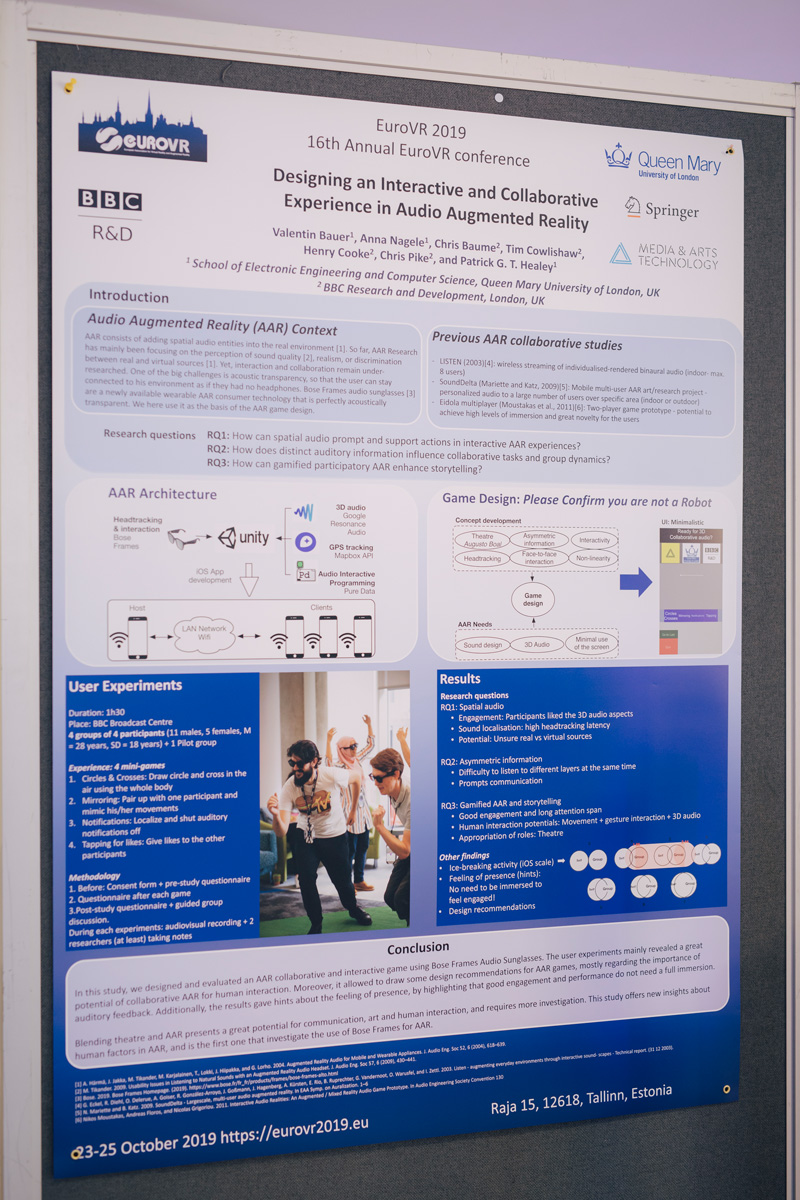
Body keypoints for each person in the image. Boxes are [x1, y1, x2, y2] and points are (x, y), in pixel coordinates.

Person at [267, 739, 373, 935]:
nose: (295, 768)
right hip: (306, 838)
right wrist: (275, 815)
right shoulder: (290, 786)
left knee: (342, 881)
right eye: (292, 763)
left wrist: (352, 811)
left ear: (314, 761)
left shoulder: (330, 774)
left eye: (300, 763)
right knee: (306, 880)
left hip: (334, 836)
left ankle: (353, 908)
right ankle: (316, 923)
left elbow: (357, 778)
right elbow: (281, 831)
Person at [325, 714, 375, 892]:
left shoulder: (357, 760)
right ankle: (347, 883)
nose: (355, 749)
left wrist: (369, 725)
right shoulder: (339, 767)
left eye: (355, 745)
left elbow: (370, 746)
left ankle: (359, 880)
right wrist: (328, 740)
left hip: (363, 813)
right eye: (351, 747)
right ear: (342, 750)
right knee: (349, 851)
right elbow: (328, 763)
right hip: (349, 814)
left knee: (363, 847)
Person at [369, 747, 410, 925]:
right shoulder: (393, 792)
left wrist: (379, 826)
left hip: (432, 851)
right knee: (390, 897)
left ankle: (419, 929)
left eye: (379, 778)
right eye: (373, 777)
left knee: (401, 898)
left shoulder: (412, 799)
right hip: (414, 848)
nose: (376, 783)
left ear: (396, 774)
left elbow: (405, 851)